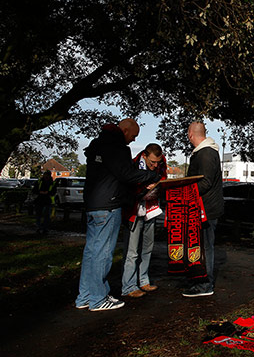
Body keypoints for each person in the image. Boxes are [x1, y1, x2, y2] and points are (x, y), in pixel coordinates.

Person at [75, 119, 161, 312]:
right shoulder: (118, 147)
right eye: (133, 135)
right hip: (108, 205)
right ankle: (98, 298)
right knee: (102, 253)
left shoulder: (97, 144)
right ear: (124, 130)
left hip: (93, 204)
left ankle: (85, 296)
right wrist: (152, 177)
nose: (133, 139)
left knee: (91, 252)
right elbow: (127, 174)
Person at [120, 143, 167, 298]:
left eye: (157, 163)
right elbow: (128, 186)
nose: (155, 165)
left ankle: (143, 279)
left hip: (151, 210)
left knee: (147, 247)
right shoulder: (133, 165)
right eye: (152, 162)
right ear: (144, 156)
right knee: (132, 251)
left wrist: (158, 186)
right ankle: (129, 285)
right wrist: (143, 189)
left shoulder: (161, 164)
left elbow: (163, 179)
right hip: (135, 211)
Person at [183, 121, 224, 297]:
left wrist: (183, 193)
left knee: (205, 247)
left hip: (206, 209)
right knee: (200, 246)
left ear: (190, 134)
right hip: (204, 207)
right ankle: (199, 280)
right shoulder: (206, 152)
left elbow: (205, 182)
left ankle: (205, 284)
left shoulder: (206, 153)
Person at [34, 170, 55, 235]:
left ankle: (44, 228)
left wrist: (47, 193)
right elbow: (34, 190)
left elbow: (53, 192)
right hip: (40, 200)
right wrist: (40, 192)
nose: (46, 176)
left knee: (46, 215)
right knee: (39, 215)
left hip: (47, 201)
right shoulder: (39, 182)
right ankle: (39, 227)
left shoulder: (52, 183)